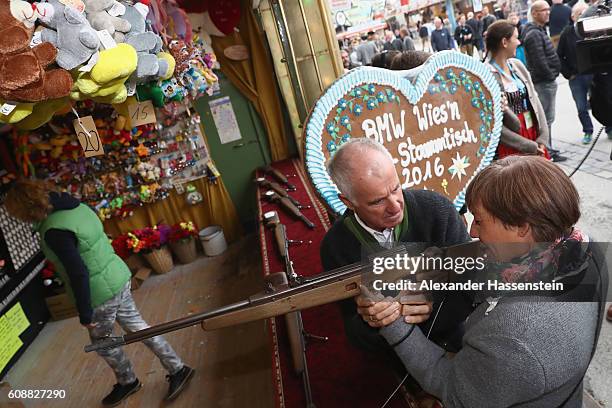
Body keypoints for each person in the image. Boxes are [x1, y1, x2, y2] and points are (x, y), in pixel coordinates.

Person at [375, 156, 608, 407]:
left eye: (480, 220)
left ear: (521, 227)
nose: (473, 231)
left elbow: (452, 389)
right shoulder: (584, 248)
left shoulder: (516, 334)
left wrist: (395, 324)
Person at [4, 180, 195, 406]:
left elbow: (78, 273)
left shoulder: (54, 230)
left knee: (104, 344)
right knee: (139, 327)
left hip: (99, 294)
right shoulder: (77, 207)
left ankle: (128, 382)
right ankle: (177, 368)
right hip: (117, 276)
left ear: (26, 208)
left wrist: (85, 313)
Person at [320, 138, 473, 377]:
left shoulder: (438, 211)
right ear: (347, 202)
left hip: (459, 342)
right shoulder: (335, 246)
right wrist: (370, 320)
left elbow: (475, 288)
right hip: (393, 364)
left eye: (395, 188)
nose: (395, 206)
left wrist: (433, 305)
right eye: (377, 201)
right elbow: (353, 333)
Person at [485, 20, 551, 159]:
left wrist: (543, 137)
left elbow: (535, 100)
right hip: (513, 144)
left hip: (533, 132)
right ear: (504, 42)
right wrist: (527, 146)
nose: (519, 42)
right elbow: (493, 125)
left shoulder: (517, 65)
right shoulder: (486, 75)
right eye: (516, 38)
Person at [557, 2, 612, 143]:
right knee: (582, 107)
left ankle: (609, 129)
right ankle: (588, 131)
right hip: (580, 77)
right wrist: (568, 73)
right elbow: (559, 56)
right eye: (579, 14)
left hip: (597, 75)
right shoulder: (568, 33)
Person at [521, 1, 566, 162]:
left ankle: (549, 149)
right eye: (543, 10)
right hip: (544, 82)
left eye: (548, 9)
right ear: (534, 13)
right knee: (545, 120)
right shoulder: (533, 34)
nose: (548, 12)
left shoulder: (537, 31)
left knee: (548, 119)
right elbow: (539, 61)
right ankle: (547, 152)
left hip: (546, 80)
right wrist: (551, 74)